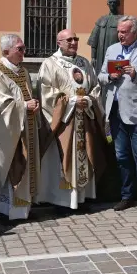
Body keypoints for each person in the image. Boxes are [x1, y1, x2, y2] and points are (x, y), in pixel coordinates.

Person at [0, 34, 51, 221]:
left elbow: (27, 95)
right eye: (19, 49)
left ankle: (22, 209)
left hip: (27, 127)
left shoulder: (23, 71)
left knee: (27, 163)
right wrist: (24, 105)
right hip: (8, 131)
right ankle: (5, 210)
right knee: (9, 166)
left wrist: (33, 104)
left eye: (23, 48)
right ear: (6, 51)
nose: (23, 52)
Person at [38, 29, 106, 212]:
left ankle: (81, 198)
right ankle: (62, 200)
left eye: (76, 39)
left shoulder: (84, 63)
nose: (74, 42)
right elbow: (45, 92)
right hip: (64, 122)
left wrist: (90, 100)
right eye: (69, 40)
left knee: (84, 156)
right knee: (63, 159)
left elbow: (96, 87)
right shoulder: (50, 64)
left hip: (85, 117)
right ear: (58, 42)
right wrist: (70, 102)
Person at [99, 15, 137, 215]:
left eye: (124, 32)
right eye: (119, 31)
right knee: (122, 156)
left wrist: (136, 75)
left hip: (136, 112)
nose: (120, 35)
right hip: (115, 110)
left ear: (135, 32)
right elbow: (100, 76)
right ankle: (127, 196)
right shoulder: (112, 50)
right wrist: (109, 76)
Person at [87, 0, 123, 77]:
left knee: (115, 76)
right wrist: (93, 57)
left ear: (118, 4)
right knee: (100, 77)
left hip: (116, 55)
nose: (112, 4)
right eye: (110, 2)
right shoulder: (101, 19)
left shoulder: (122, 20)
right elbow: (94, 40)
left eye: (114, 2)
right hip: (100, 55)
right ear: (107, 4)